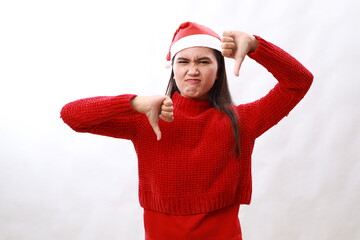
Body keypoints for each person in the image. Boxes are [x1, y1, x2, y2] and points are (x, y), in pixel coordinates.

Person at [61, 22, 313, 240]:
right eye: (183, 61)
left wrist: (257, 45)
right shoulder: (148, 118)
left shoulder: (242, 121)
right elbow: (71, 116)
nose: (192, 70)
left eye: (204, 61)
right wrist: (134, 102)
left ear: (217, 72)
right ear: (174, 68)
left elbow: (299, 81)